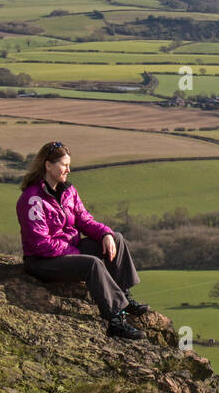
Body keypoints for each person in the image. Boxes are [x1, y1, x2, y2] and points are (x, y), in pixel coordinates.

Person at [15, 140, 149, 340]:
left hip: (68, 250)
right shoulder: (32, 199)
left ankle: (124, 296)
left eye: (69, 164)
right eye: (64, 164)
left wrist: (105, 234)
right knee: (92, 264)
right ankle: (115, 321)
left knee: (116, 239)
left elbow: (84, 220)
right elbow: (40, 244)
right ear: (48, 165)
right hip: (42, 262)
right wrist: (77, 254)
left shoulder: (68, 191)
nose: (69, 169)